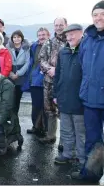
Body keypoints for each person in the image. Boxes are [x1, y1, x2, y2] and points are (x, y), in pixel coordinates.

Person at [71, 0, 104, 185]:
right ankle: (91, 172)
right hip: (90, 99)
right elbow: (83, 64)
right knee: (93, 139)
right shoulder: (88, 38)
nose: (98, 18)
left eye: (103, 14)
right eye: (95, 14)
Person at [53, 24, 85, 166]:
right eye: (68, 35)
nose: (70, 37)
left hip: (80, 99)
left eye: (73, 34)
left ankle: (81, 158)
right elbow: (58, 74)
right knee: (66, 129)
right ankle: (67, 154)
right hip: (64, 98)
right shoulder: (63, 52)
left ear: (81, 33)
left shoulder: (86, 50)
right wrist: (56, 94)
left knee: (81, 132)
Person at [38, 18, 67, 150]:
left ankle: (64, 141)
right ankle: (50, 136)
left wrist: (58, 70)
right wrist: (49, 69)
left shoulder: (70, 41)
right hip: (48, 81)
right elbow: (41, 58)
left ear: (66, 25)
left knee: (64, 112)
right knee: (49, 110)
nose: (59, 27)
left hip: (64, 84)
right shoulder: (49, 42)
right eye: (57, 25)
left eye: (61, 25)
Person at [23, 27, 50, 137]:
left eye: (44, 34)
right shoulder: (34, 46)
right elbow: (31, 62)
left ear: (48, 35)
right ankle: (36, 126)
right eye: (39, 35)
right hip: (34, 80)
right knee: (35, 106)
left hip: (47, 80)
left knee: (47, 107)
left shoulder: (51, 46)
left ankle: (46, 129)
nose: (41, 37)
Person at [7, 30, 30, 115]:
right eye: (14, 37)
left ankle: (14, 117)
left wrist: (19, 73)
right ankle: (7, 116)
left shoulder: (26, 48)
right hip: (9, 73)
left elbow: (27, 62)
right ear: (12, 38)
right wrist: (10, 73)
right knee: (9, 98)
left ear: (22, 38)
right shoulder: (8, 47)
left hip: (21, 76)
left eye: (18, 37)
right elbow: (6, 61)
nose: (16, 39)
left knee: (17, 98)